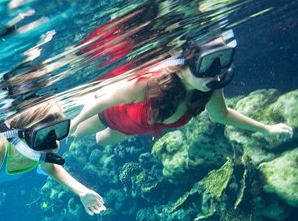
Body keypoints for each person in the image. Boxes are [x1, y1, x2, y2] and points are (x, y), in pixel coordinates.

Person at [70, 32, 293, 145]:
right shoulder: (149, 83)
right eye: (204, 68)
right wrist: (73, 123)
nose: (213, 76)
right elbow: (105, 102)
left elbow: (222, 115)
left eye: (217, 66)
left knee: (103, 141)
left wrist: (266, 129)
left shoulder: (208, 87)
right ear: (181, 67)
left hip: (137, 127)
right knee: (81, 135)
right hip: (113, 113)